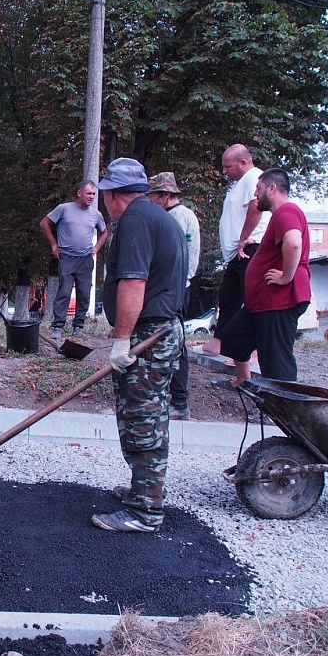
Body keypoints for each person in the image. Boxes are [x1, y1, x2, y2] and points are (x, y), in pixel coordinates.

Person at [92, 158, 187, 534]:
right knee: (150, 418)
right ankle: (143, 490)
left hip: (149, 337)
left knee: (143, 421)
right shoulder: (161, 218)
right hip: (160, 332)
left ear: (112, 194)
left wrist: (121, 341)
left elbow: (133, 283)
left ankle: (145, 511)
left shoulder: (134, 220)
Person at [217, 169, 311, 386]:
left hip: (279, 301)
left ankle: (282, 403)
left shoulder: (286, 211)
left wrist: (286, 277)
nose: (255, 194)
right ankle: (244, 380)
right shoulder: (280, 216)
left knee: (275, 361)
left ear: (272, 188)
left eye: (258, 189)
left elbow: (293, 243)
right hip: (262, 303)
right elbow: (282, 245)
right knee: (234, 339)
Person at [203, 144, 269, 356]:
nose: (224, 171)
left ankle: (254, 349)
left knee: (252, 299)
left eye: (227, 166)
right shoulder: (241, 183)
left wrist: (242, 239)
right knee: (228, 297)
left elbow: (256, 207)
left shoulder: (254, 177)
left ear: (243, 162)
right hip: (236, 254)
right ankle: (220, 342)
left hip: (250, 248)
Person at [147, 172, 200, 420]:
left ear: (165, 195)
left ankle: (179, 401)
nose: (150, 200)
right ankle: (172, 397)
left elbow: (167, 256)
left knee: (175, 343)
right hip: (177, 286)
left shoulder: (176, 217)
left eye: (153, 196)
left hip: (175, 287)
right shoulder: (180, 214)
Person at [39, 180, 108, 338]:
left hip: (85, 259)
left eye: (94, 194)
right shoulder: (64, 209)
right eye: (89, 193)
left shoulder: (96, 214)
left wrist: (96, 248)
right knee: (64, 292)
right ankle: (58, 326)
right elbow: (44, 223)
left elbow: (104, 232)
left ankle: (78, 327)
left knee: (84, 294)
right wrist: (53, 244)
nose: (91, 197)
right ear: (79, 193)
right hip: (67, 258)